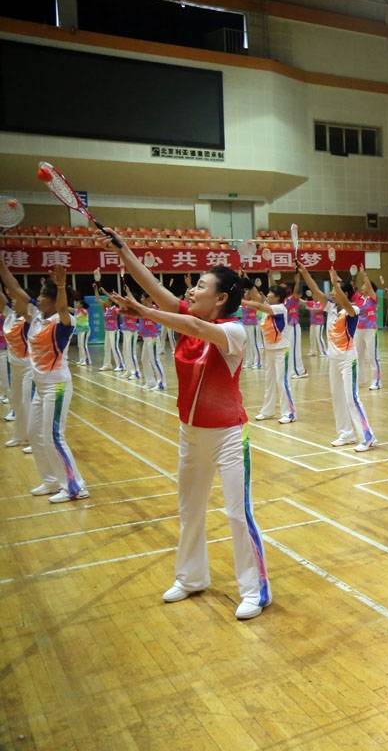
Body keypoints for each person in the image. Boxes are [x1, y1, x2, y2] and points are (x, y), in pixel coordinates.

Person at [103, 229, 271, 620]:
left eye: (200, 286)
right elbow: (154, 286)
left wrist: (144, 312)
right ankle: (191, 577)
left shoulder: (232, 331)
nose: (192, 292)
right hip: (190, 434)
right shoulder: (188, 315)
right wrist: (123, 250)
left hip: (229, 435)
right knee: (189, 509)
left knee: (236, 512)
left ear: (222, 298)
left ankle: (254, 589)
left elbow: (194, 329)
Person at [16, 267, 89, 503]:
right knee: (34, 433)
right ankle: (51, 480)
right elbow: (16, 291)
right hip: (40, 385)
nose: (38, 298)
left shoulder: (64, 322)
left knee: (54, 436)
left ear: (53, 300)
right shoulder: (37, 318)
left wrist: (60, 286)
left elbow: (61, 308)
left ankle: (75, 486)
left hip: (56, 386)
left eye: (42, 296)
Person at [297, 265, 375, 451]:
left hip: (349, 359)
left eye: (335, 291)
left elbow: (347, 304)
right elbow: (315, 291)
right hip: (334, 359)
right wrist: (305, 273)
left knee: (352, 398)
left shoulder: (352, 309)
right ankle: (345, 434)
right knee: (338, 397)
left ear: (345, 294)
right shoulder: (330, 307)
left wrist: (335, 283)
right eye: (332, 291)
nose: (331, 294)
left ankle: (367, 436)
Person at [242, 285, 295, 424]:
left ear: (278, 297)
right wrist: (246, 281)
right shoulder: (267, 307)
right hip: (269, 350)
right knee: (269, 382)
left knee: (282, 382)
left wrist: (241, 301)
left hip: (282, 350)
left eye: (271, 293)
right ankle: (268, 411)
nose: (269, 295)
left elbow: (258, 304)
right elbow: (256, 296)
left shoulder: (280, 308)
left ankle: (289, 413)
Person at [0, 261, 34, 451]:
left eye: (16, 298)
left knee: (28, 403)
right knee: (16, 402)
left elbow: (16, 288)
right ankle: (20, 436)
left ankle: (30, 439)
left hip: (29, 366)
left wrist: (3, 268)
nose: (13, 300)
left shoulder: (30, 316)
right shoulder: (10, 315)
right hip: (15, 366)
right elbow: (3, 299)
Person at [354, 272, 382, 391]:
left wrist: (365, 276)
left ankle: (376, 381)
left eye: (365, 285)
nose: (363, 286)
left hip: (370, 329)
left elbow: (369, 288)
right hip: (358, 329)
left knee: (372, 356)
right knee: (358, 355)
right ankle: (360, 380)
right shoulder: (358, 298)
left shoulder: (373, 298)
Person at [138, 293, 167, 391]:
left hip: (153, 338)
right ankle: (150, 382)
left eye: (142, 297)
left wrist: (150, 301)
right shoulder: (142, 308)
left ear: (148, 299)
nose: (141, 298)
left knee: (155, 360)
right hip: (145, 338)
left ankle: (161, 383)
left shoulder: (153, 308)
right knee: (144, 359)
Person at [284, 278, 307, 378]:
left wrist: (297, 281)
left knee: (293, 348)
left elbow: (296, 291)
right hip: (289, 327)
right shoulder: (284, 301)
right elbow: (273, 286)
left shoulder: (291, 299)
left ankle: (297, 370)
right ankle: (295, 372)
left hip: (292, 326)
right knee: (293, 349)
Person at [99, 292, 124, 372]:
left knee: (115, 348)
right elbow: (97, 299)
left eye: (107, 300)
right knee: (106, 348)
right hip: (107, 331)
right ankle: (107, 365)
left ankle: (120, 365)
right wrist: (96, 289)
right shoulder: (106, 309)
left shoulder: (114, 309)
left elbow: (121, 311)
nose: (105, 301)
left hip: (114, 330)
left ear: (110, 302)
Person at [240, 295, 263, 370]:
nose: (245, 293)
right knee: (248, 344)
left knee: (255, 344)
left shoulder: (254, 302)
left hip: (253, 324)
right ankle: (249, 362)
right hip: (245, 324)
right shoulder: (243, 303)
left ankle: (258, 363)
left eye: (247, 292)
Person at [305, 290, 328, 357]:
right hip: (312, 323)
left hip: (319, 323)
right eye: (313, 295)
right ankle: (313, 351)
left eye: (316, 295)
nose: (314, 296)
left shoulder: (321, 303)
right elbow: (303, 302)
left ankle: (323, 352)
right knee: (312, 337)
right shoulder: (311, 303)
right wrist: (296, 297)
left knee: (319, 337)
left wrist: (310, 308)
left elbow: (319, 310)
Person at [73, 297, 91, 366]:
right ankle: (81, 359)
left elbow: (85, 313)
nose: (76, 304)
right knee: (79, 345)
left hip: (85, 330)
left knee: (83, 345)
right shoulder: (77, 311)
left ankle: (87, 361)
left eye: (78, 303)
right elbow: (71, 309)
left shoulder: (84, 310)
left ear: (81, 304)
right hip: (79, 330)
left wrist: (81, 308)